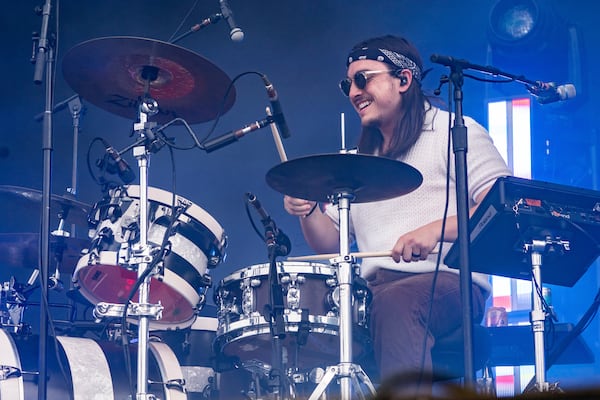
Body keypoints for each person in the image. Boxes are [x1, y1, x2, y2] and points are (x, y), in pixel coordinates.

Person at [283, 34, 511, 390]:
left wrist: (434, 230)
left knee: (394, 304)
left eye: (364, 78)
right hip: (371, 291)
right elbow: (328, 242)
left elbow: (502, 204)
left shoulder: (454, 133)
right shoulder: (356, 162)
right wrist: (307, 209)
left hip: (450, 281)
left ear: (404, 80)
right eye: (348, 84)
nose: (354, 92)